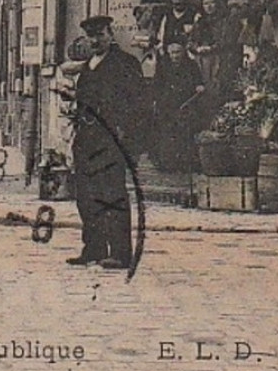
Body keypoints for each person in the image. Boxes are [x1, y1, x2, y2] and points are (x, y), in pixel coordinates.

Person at [66, 15, 144, 270]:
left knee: (112, 194)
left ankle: (121, 253)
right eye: (91, 36)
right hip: (87, 138)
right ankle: (94, 248)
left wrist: (126, 136)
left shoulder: (125, 63)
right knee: (86, 196)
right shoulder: (88, 66)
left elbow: (136, 104)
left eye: (100, 35)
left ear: (111, 35)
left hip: (111, 138)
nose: (96, 40)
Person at [152, 41, 206, 173]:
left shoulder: (191, 65)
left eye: (178, 52)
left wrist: (199, 86)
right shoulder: (163, 66)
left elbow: (199, 82)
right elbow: (157, 85)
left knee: (186, 133)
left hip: (186, 103)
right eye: (172, 53)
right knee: (168, 134)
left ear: (183, 52)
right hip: (167, 105)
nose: (175, 56)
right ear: (168, 53)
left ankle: (186, 164)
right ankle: (168, 164)